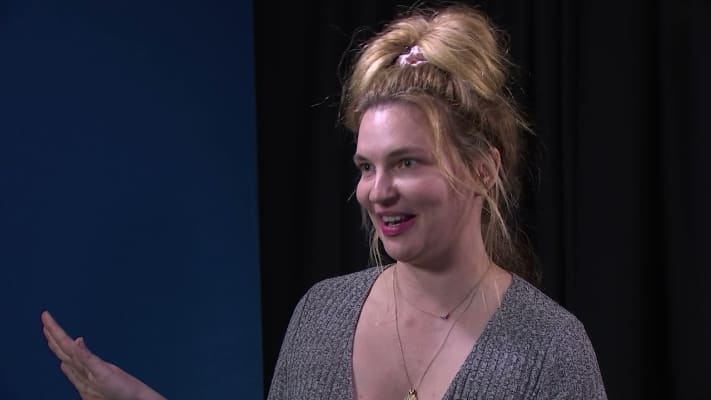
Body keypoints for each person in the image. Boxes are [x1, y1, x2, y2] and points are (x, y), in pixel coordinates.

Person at [42, 3, 607, 399]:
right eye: (366, 167)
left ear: (484, 168)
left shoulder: (551, 351)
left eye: (407, 162)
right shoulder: (321, 315)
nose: (377, 192)